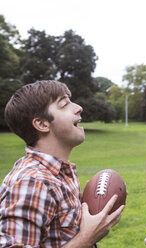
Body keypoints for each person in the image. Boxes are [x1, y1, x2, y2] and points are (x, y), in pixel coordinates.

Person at [0, 80, 124, 248]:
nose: (78, 107)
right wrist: (86, 238)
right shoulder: (33, 182)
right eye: (64, 104)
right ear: (42, 124)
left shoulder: (60, 173)